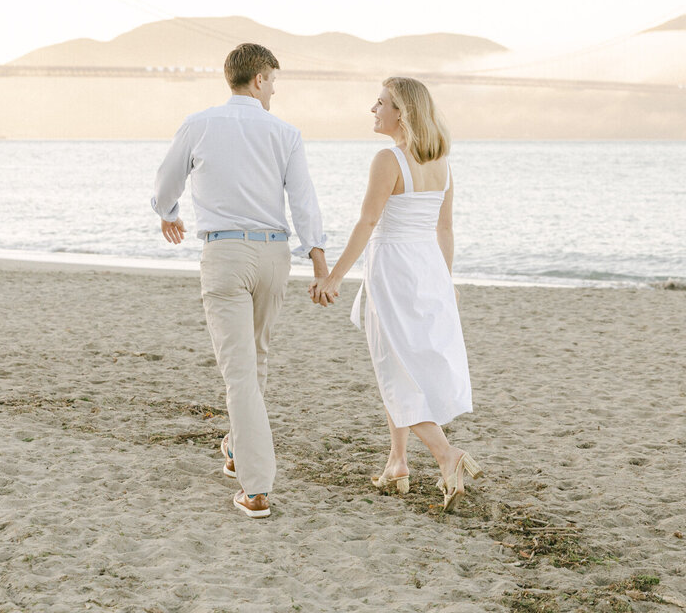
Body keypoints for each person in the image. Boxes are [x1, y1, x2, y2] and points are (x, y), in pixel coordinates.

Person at [152, 43, 328, 519]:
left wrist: (167, 212)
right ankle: (236, 445)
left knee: (240, 371)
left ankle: (256, 488)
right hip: (274, 254)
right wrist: (319, 261)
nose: (273, 90)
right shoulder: (285, 132)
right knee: (255, 360)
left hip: (225, 253)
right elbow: (305, 201)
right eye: (272, 80)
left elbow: (166, 181)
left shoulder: (198, 124)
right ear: (257, 80)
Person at [311, 77, 482, 511]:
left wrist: (333, 277)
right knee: (402, 367)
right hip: (427, 269)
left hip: (393, 271)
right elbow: (445, 229)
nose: (373, 108)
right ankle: (397, 462)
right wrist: (446, 280)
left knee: (395, 369)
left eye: (381, 102)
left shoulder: (388, 159)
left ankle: (447, 455)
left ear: (401, 112)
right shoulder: (442, 162)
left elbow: (368, 224)